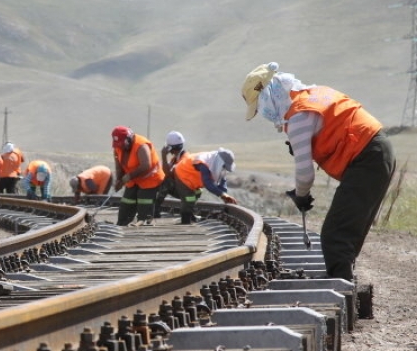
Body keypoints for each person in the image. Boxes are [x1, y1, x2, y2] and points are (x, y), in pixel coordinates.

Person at [242, 62, 396, 282]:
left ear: (269, 95)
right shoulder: (314, 95)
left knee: (335, 235)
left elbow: (305, 175)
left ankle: (340, 285)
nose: (264, 114)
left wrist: (301, 197)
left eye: (260, 106)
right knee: (348, 231)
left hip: (367, 158)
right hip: (378, 150)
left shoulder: (298, 117)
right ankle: (343, 278)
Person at [111, 126, 165, 226]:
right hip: (133, 179)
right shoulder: (118, 148)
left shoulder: (141, 145)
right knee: (127, 201)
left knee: (144, 201)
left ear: (129, 138)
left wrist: (128, 176)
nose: (121, 147)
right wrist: (119, 180)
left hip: (150, 178)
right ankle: (122, 223)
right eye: (118, 145)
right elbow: (119, 166)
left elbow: (146, 165)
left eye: (123, 144)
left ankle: (144, 223)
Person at [170, 148, 239, 224]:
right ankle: (185, 221)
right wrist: (222, 194)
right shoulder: (204, 163)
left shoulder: (215, 163)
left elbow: (222, 180)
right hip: (182, 174)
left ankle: (190, 216)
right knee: (189, 198)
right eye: (224, 166)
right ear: (220, 163)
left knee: (197, 194)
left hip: (192, 178)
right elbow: (208, 183)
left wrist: (225, 196)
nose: (224, 169)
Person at [154, 130, 189, 217]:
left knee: (166, 181)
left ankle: (154, 209)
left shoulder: (184, 159)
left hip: (189, 190)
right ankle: (153, 208)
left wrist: (163, 156)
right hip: (184, 188)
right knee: (159, 178)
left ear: (170, 148)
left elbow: (168, 174)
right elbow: (164, 171)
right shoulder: (176, 158)